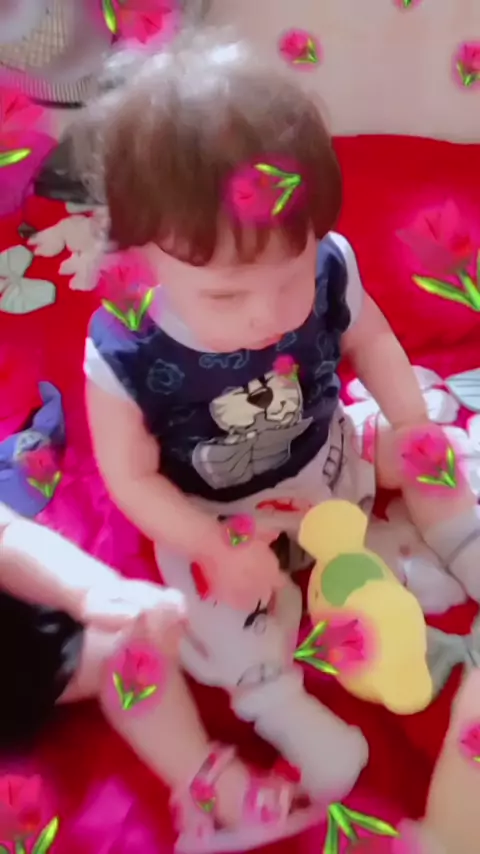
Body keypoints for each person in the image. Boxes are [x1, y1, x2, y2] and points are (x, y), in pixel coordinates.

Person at [80, 27, 480, 851]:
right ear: (143, 260)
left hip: (330, 453)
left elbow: (372, 340)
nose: (270, 313)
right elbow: (129, 478)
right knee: (219, 616)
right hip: (221, 516)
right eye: (227, 297)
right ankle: (279, 703)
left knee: (431, 448)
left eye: (290, 275)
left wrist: (411, 424)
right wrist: (211, 545)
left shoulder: (329, 265)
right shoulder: (124, 346)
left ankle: (462, 537)